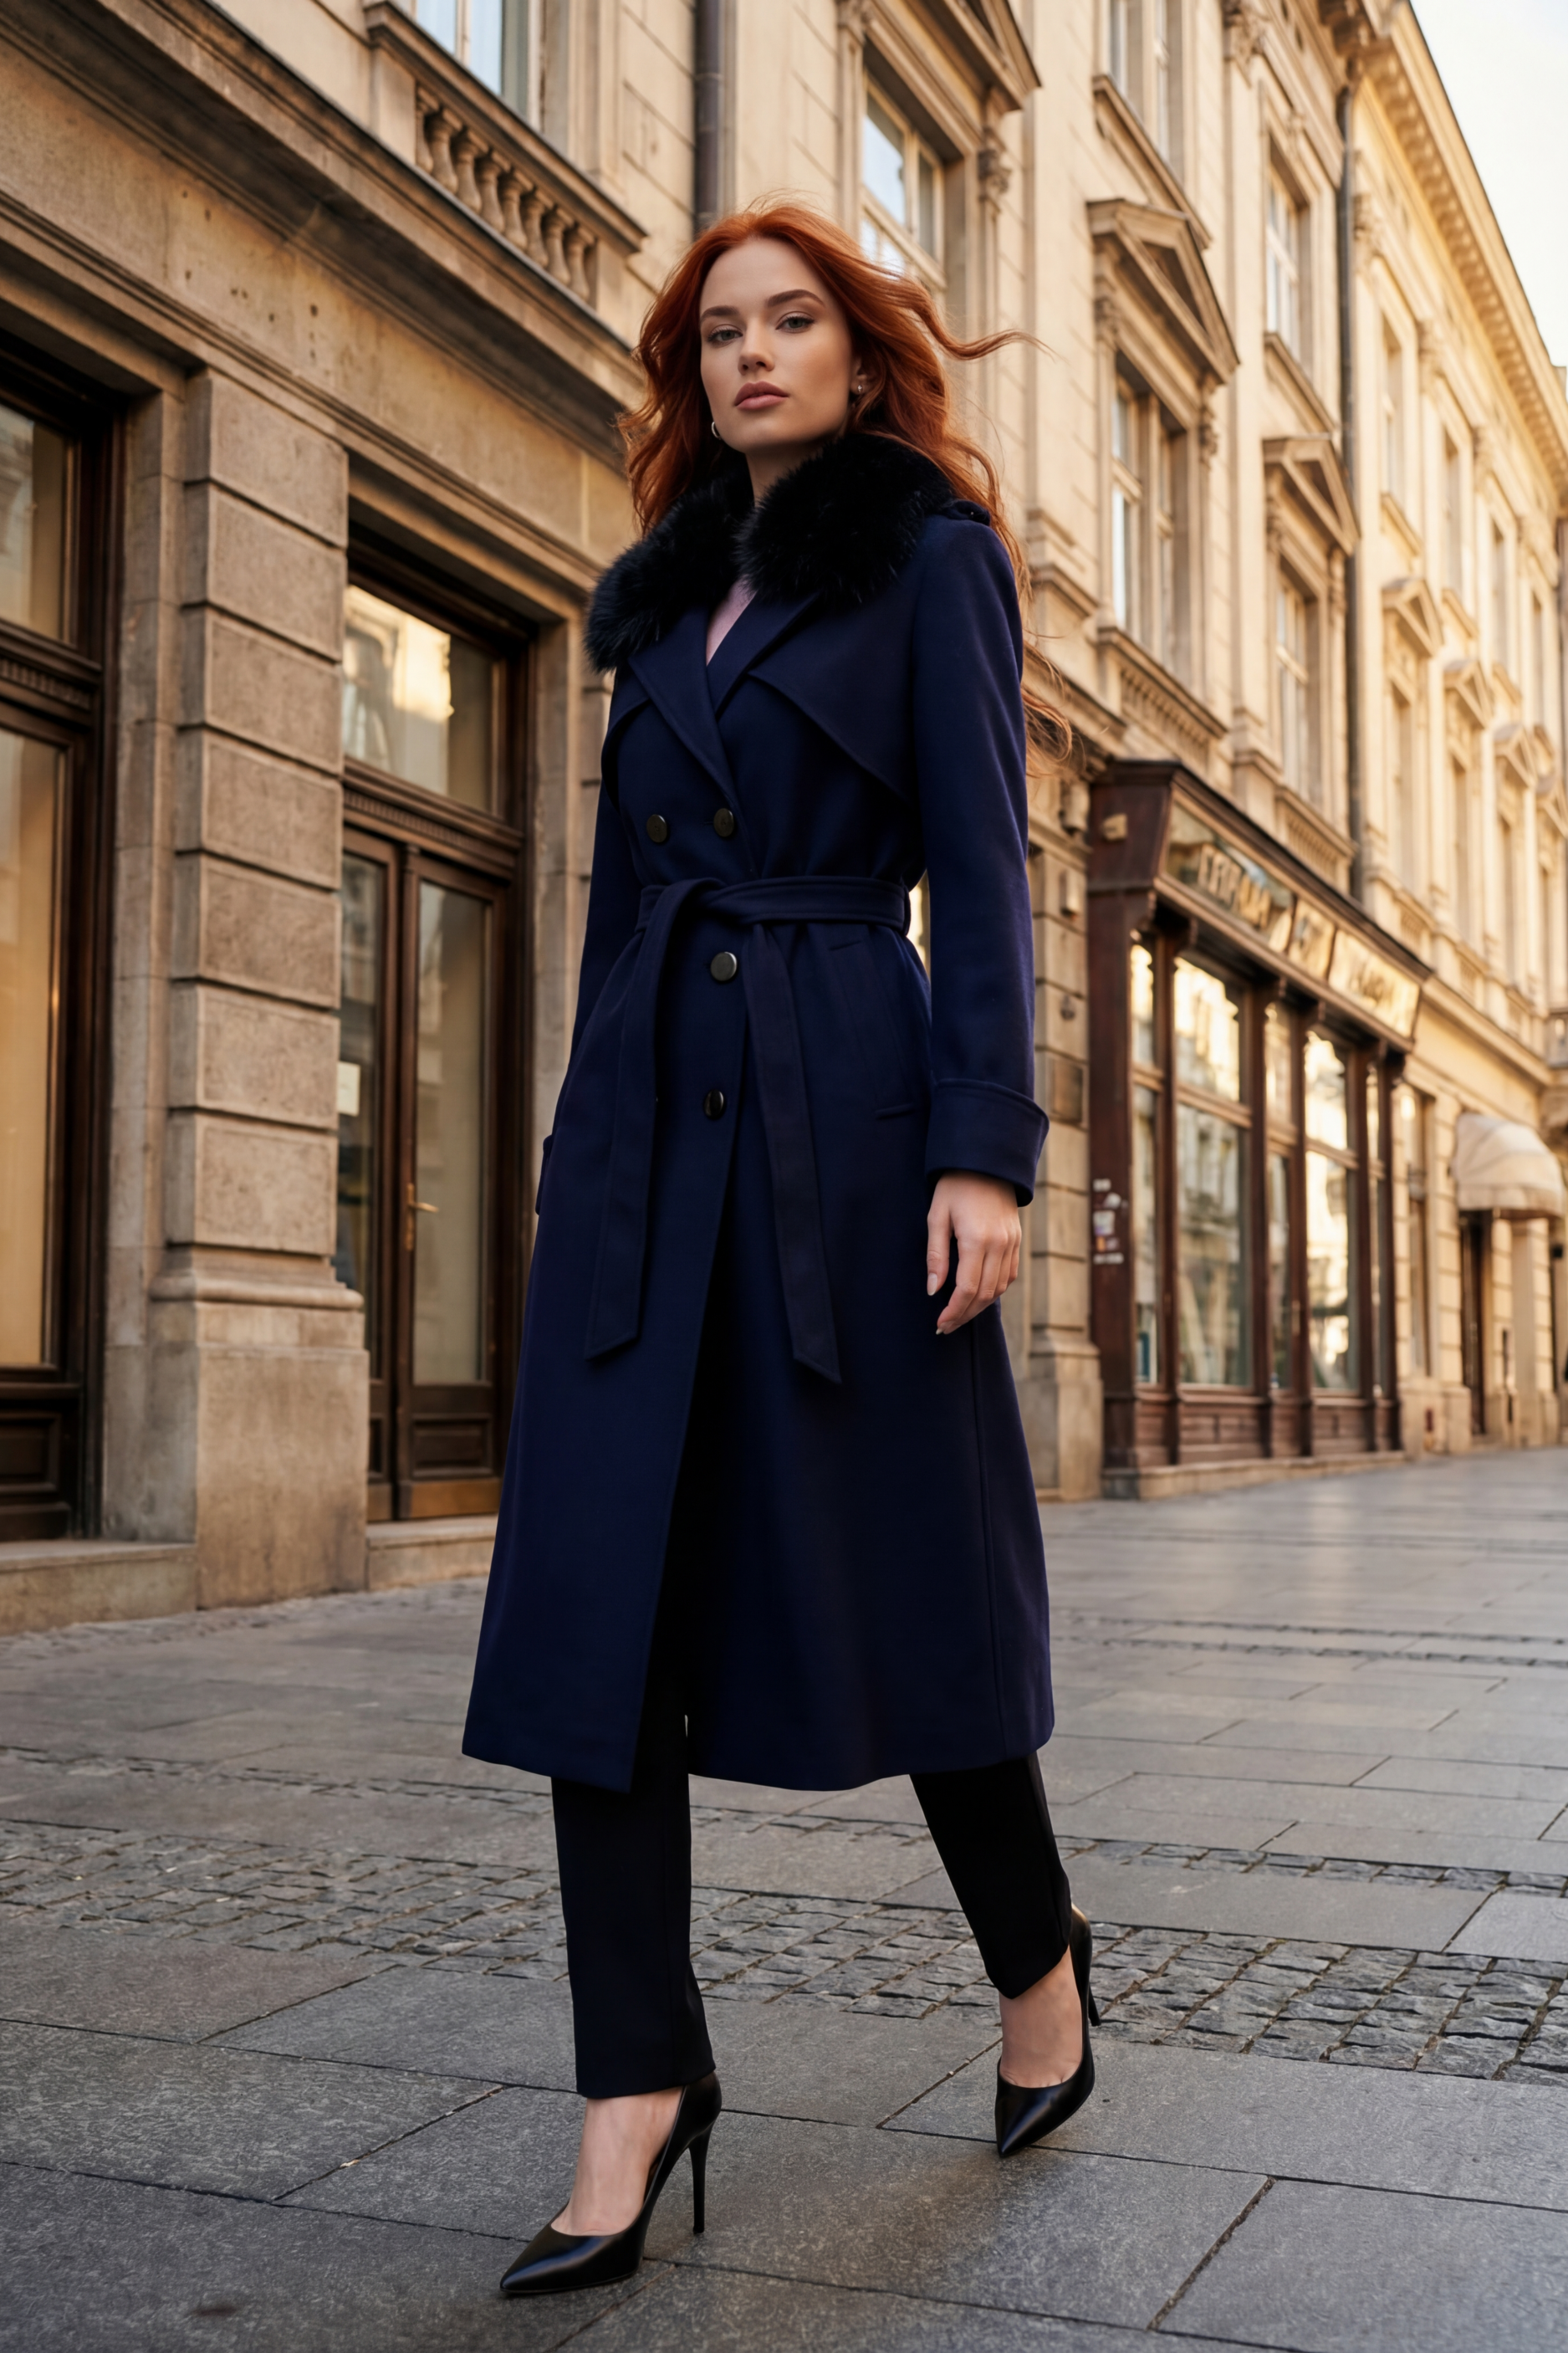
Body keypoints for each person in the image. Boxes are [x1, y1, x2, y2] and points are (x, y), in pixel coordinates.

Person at [462, 200, 1097, 2300]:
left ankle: (1041, 1969)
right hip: (650, 1137)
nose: (750, 355)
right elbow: (610, 915)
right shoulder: (646, 602)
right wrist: (573, 1167)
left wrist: (984, 1153)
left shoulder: (927, 559)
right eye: (717, 329)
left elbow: (988, 880)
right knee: (593, 1611)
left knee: (910, 1575)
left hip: (850, 1116)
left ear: (856, 348)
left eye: (790, 320)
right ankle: (631, 2089)